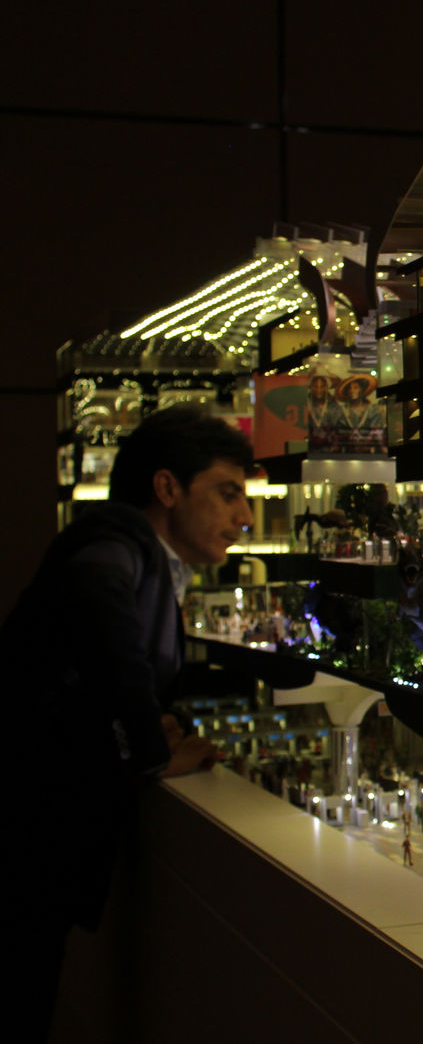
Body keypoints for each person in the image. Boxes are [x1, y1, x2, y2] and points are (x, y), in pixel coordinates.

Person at [1, 406, 254, 1036]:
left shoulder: (139, 555)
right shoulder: (117, 543)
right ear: (167, 488)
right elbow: (97, 597)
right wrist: (147, 748)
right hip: (24, 839)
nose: (245, 516)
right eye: (228, 493)